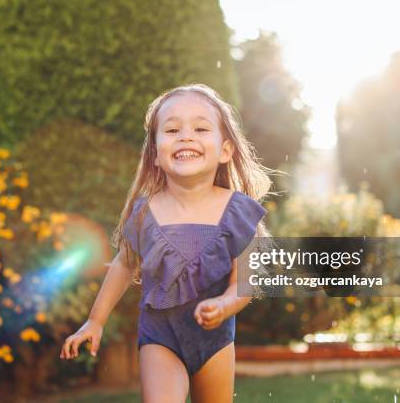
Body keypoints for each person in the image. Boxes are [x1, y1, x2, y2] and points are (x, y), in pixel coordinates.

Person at [60, 83, 275, 402]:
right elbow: (123, 264)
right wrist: (95, 320)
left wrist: (224, 305)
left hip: (214, 341)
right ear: (155, 154)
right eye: (172, 129)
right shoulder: (146, 212)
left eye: (201, 128)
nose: (186, 136)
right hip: (160, 337)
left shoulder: (238, 210)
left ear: (225, 151)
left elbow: (245, 282)